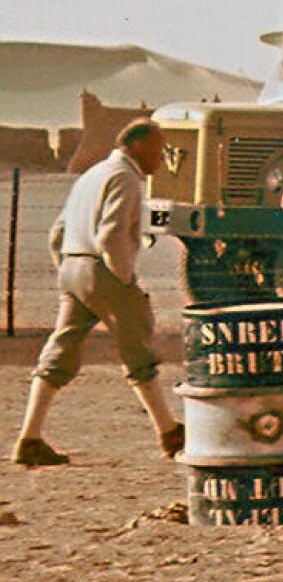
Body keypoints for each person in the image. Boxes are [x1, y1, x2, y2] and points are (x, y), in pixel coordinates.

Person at [13, 116, 184, 466]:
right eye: (156, 148)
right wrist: (123, 279)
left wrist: (67, 268)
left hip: (74, 268)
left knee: (60, 352)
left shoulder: (91, 175)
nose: (159, 156)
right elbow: (110, 234)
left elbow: (57, 233)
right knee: (138, 353)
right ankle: (168, 432)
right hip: (102, 270)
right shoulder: (125, 178)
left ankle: (29, 437)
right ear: (137, 145)